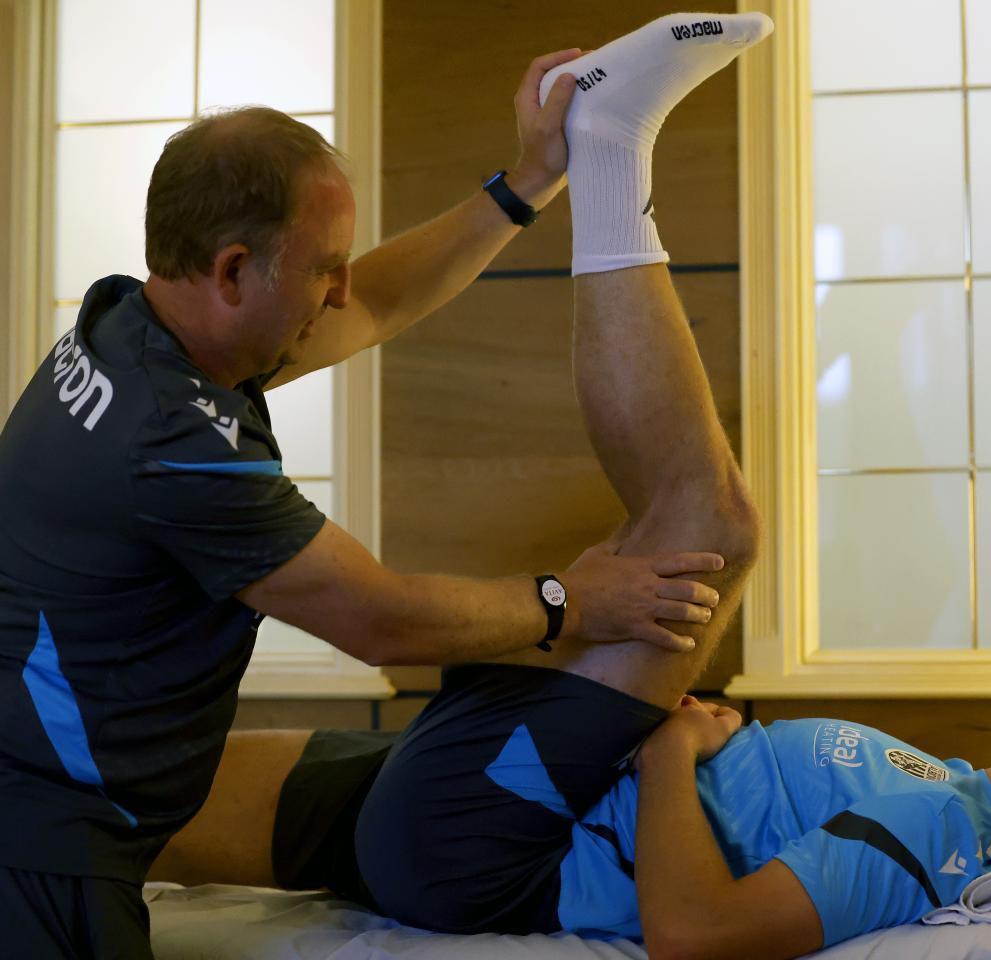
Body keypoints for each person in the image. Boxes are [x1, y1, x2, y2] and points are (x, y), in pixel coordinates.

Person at [148, 12, 991, 960]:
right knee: (135, 796)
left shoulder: (944, 845)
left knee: (708, 533)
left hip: (499, 830)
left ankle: (612, 142)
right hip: (489, 804)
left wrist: (671, 750)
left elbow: (694, 938)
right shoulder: (956, 787)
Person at [0, 33, 740, 960]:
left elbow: (377, 304)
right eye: (322, 268)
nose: (342, 288)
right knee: (721, 524)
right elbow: (381, 622)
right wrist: (572, 600)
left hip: (81, 801)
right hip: (42, 847)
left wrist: (531, 180)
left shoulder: (129, 322)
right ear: (232, 269)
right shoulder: (171, 442)